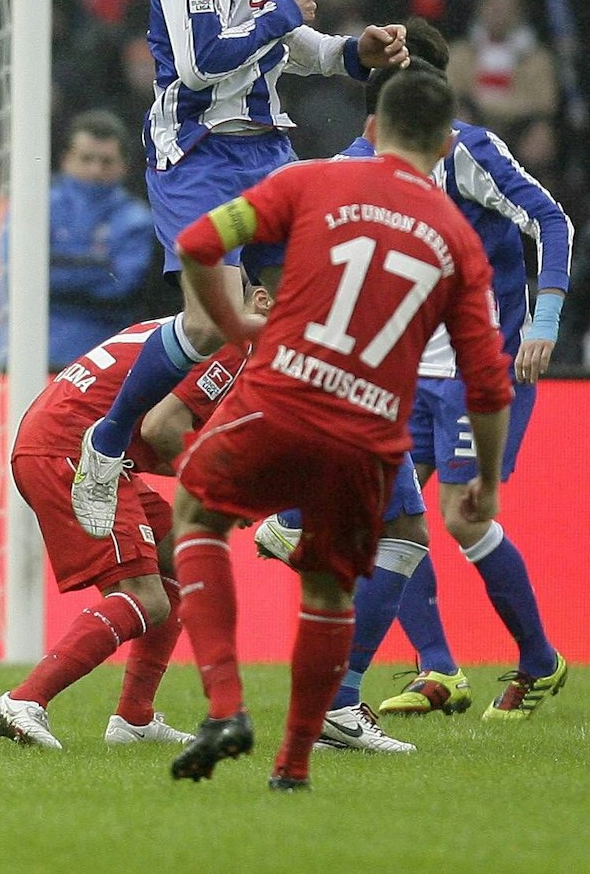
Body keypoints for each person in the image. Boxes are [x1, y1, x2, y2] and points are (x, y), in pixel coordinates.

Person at [72, 0, 409, 540]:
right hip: (195, 154)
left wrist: (354, 51)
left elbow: (296, 50)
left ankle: (284, 514)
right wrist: (285, 8)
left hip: (267, 150)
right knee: (209, 324)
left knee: (310, 322)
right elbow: (198, 64)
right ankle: (106, 439)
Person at [167, 66, 512, 791]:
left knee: (196, 512)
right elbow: (487, 382)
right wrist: (483, 475)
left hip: (280, 402)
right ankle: (293, 764)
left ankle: (226, 705)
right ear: (447, 144)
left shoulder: (311, 181)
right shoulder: (458, 241)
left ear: (373, 129)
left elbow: (200, 239)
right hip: (367, 441)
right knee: (329, 592)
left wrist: (232, 322)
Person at [259, 18, 572, 722]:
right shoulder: (360, 158)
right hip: (408, 371)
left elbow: (552, 221)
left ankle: (540, 660)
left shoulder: (471, 154)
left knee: (460, 516)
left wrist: (545, 319)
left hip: (484, 359)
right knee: (390, 518)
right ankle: (434, 669)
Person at [0, 286, 268, 751]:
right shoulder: (233, 342)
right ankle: (24, 699)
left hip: (74, 446)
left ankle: (134, 717)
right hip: (71, 453)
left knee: (177, 557)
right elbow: (163, 428)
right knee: (145, 597)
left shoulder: (190, 328)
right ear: (261, 301)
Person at [47, 110, 158, 368]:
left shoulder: (137, 219)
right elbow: (19, 273)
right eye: (86, 159)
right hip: (20, 349)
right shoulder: (35, 207)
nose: (96, 170)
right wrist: (99, 267)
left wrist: (55, 269)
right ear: (66, 159)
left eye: (106, 161)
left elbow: (121, 284)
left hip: (100, 356)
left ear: (124, 166)